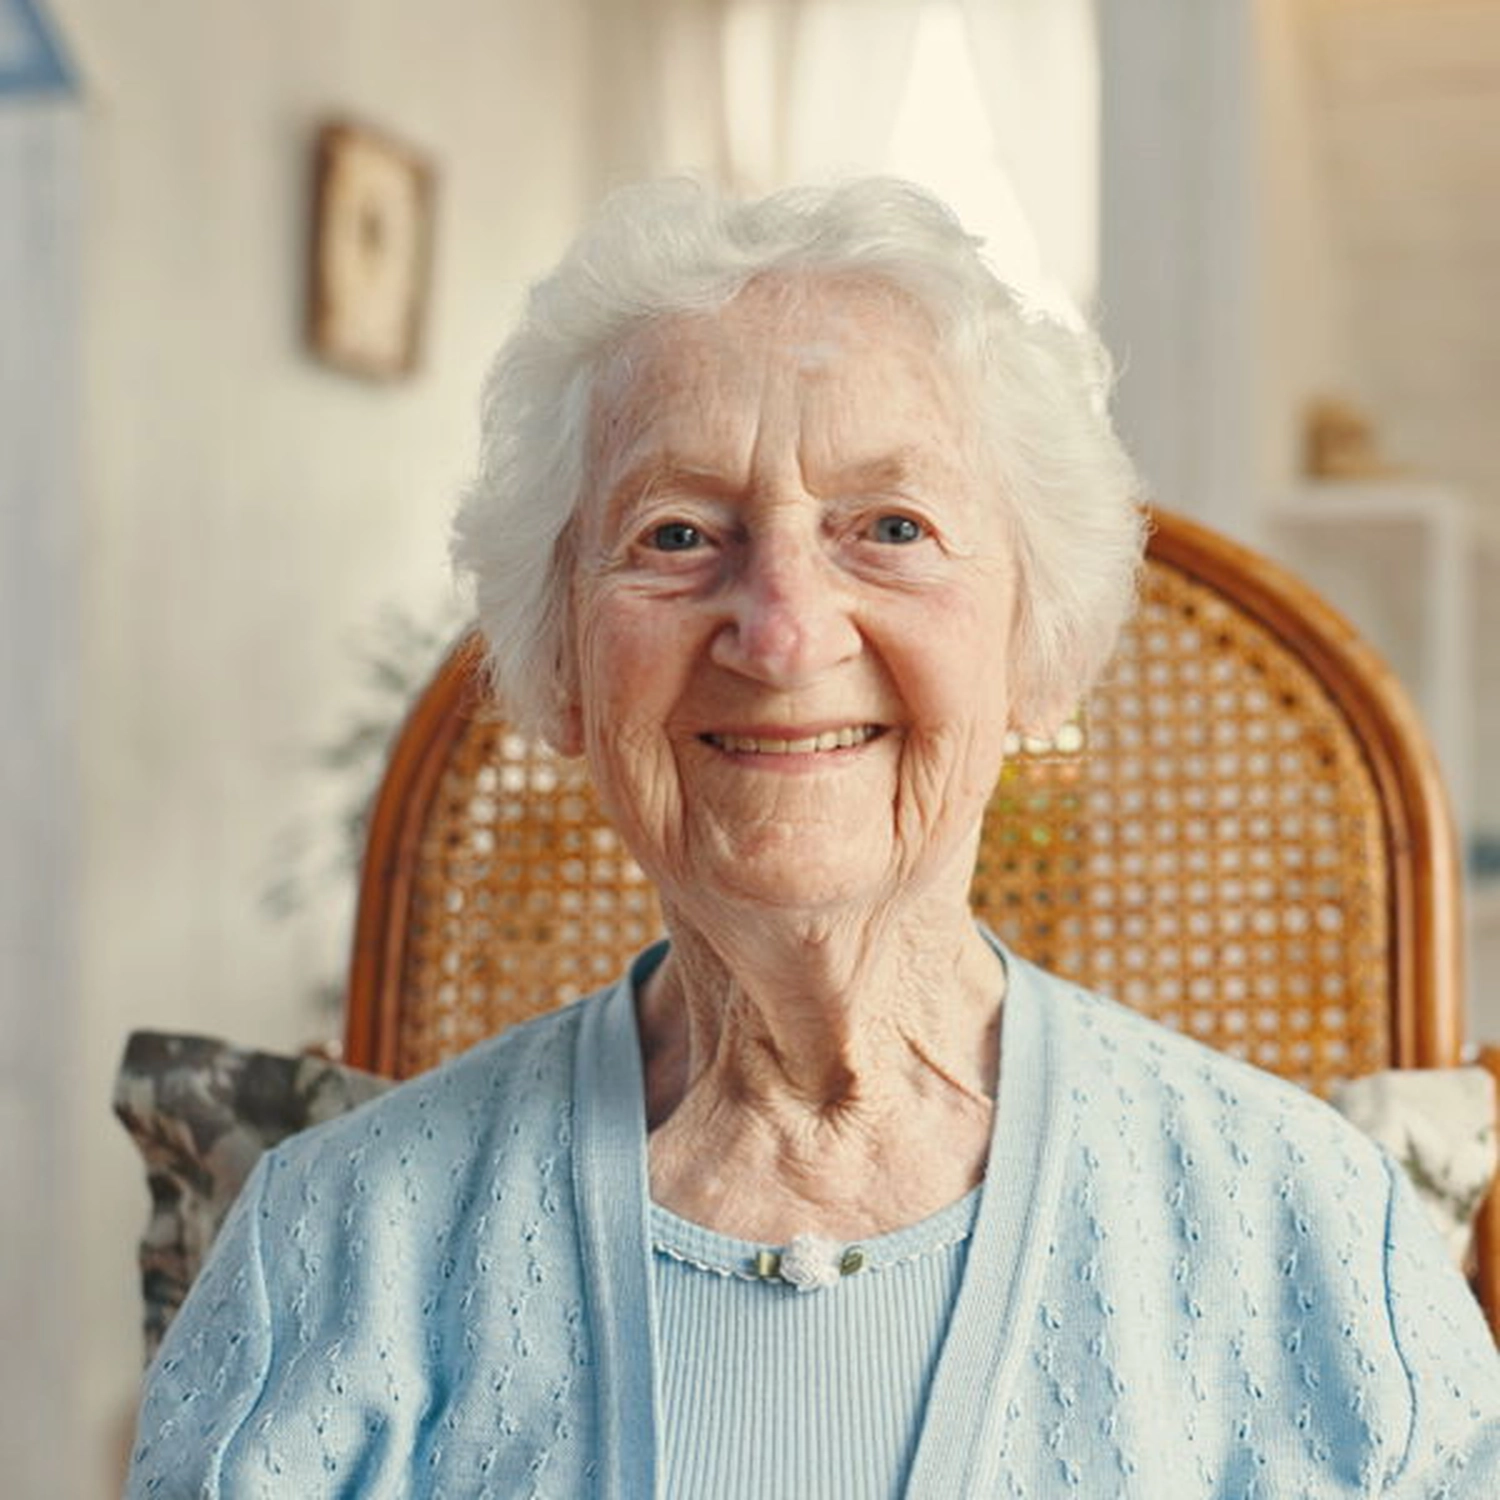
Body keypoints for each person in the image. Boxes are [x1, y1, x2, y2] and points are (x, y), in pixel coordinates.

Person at [127, 178, 1500, 1498]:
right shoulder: (325, 1252)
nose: (782, 633)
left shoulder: (1318, 1239)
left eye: (890, 528)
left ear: (1041, 648)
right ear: (559, 671)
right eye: (676, 534)